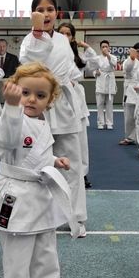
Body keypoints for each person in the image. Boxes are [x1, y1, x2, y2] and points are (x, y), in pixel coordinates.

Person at [0, 61, 76, 278]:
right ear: (15, 91)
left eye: (40, 96)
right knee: (16, 261)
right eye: (26, 92)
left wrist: (54, 160)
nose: (32, 100)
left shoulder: (42, 122)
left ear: (50, 100)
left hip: (41, 196)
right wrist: (11, 106)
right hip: (17, 196)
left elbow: (33, 156)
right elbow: (6, 141)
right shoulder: (11, 116)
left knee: (46, 257)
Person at [20, 0, 87, 237]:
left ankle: (76, 216)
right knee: (38, 160)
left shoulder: (62, 40)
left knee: (73, 163)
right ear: (33, 14)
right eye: (40, 9)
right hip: (39, 104)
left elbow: (70, 69)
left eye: (50, 9)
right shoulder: (29, 41)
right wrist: (38, 37)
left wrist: (69, 85)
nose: (46, 14)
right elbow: (29, 68)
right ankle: (41, 212)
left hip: (65, 105)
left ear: (57, 13)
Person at [56, 22, 96, 189]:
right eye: (62, 33)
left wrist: (86, 46)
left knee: (80, 140)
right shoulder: (53, 53)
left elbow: (94, 64)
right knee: (62, 139)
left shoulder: (77, 55)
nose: (65, 36)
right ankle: (60, 170)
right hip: (59, 97)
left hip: (76, 98)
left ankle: (83, 173)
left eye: (68, 34)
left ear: (72, 37)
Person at [119, 43, 139, 145]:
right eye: (137, 51)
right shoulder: (128, 61)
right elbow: (128, 69)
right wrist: (131, 57)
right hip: (130, 91)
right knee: (129, 117)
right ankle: (130, 138)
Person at [93, 40, 117, 130]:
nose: (105, 48)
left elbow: (113, 64)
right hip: (101, 81)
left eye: (106, 46)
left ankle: (109, 123)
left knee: (109, 105)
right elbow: (93, 70)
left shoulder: (113, 57)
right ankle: (100, 123)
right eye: (103, 47)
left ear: (109, 47)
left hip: (110, 80)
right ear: (100, 48)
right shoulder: (97, 58)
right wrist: (96, 72)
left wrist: (108, 55)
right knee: (99, 104)